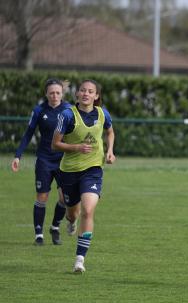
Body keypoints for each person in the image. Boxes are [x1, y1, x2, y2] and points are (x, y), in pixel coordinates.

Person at [52, 79, 115, 273]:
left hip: (93, 169)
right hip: (69, 171)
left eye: (90, 91)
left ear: (96, 96)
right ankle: (71, 222)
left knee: (88, 210)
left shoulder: (103, 113)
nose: (86, 94)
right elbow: (55, 144)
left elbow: (110, 132)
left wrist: (110, 151)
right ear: (77, 94)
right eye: (82, 90)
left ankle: (79, 259)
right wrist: (76, 147)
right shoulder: (67, 115)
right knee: (74, 213)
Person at [11, 78, 72, 246]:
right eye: (51, 92)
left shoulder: (68, 110)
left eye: (57, 93)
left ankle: (55, 227)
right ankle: (39, 234)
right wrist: (18, 156)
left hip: (63, 160)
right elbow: (28, 133)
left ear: (62, 94)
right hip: (44, 159)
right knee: (42, 196)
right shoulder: (39, 110)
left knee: (64, 198)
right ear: (46, 93)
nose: (54, 95)